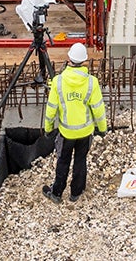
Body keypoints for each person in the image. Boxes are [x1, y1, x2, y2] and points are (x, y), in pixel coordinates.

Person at [41, 42, 107, 204]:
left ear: (69, 58)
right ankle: (76, 192)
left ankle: (56, 193)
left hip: (67, 132)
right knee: (80, 160)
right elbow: (98, 109)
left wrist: (48, 128)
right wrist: (102, 128)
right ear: (84, 60)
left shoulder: (58, 82)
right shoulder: (92, 82)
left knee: (63, 161)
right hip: (85, 131)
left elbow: (51, 110)